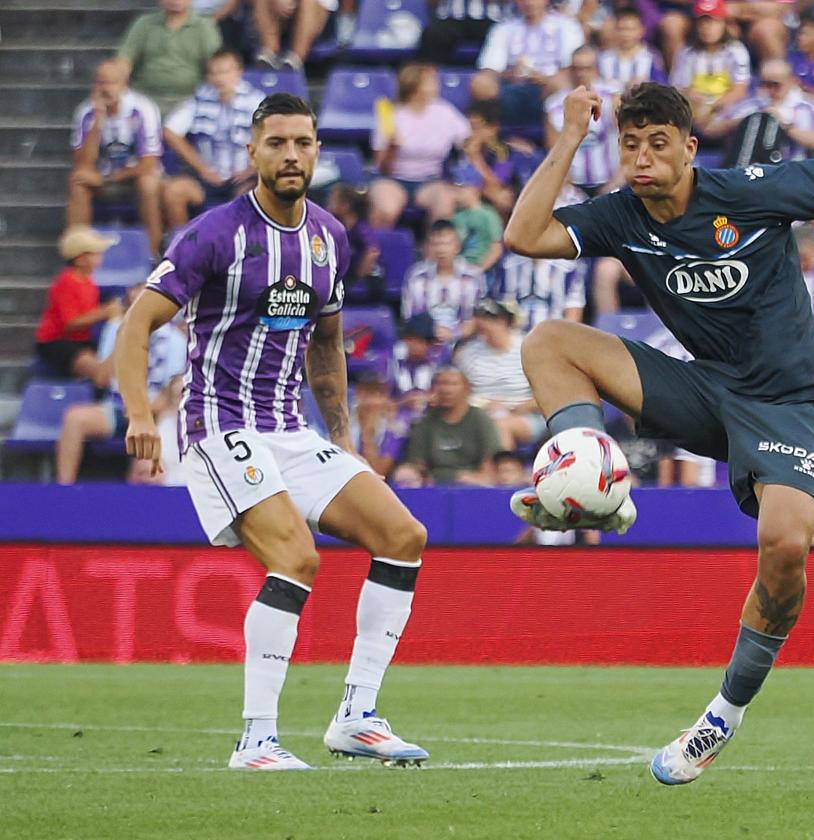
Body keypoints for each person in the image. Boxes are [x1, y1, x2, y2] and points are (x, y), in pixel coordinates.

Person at [501, 81, 814, 784]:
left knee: (786, 546)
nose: (642, 157)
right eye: (630, 144)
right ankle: (589, 475)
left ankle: (723, 715)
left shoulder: (746, 193)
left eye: (657, 143)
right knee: (549, 341)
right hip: (707, 389)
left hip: (790, 400)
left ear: (689, 148)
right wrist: (568, 137)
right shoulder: (622, 215)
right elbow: (524, 235)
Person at [115, 93, 431, 771]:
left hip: (291, 428)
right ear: (253, 151)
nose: (292, 155)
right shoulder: (214, 234)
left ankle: (357, 716)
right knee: (297, 558)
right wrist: (141, 413)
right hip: (220, 424)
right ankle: (256, 739)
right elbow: (136, 323)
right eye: (278, 143)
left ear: (318, 150)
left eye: (304, 143)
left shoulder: (330, 238)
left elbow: (326, 345)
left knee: (403, 537)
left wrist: (342, 438)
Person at [56, 283, 187, 485]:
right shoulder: (115, 329)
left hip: (154, 411)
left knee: (161, 418)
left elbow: (171, 391)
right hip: (118, 407)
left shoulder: (175, 339)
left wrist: (140, 412)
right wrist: (125, 338)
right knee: (75, 419)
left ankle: (152, 484)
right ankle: (63, 489)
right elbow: (101, 378)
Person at [68, 59, 164, 256]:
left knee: (148, 182)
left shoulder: (142, 109)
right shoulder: (86, 112)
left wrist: (107, 178)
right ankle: (78, 256)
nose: (105, 89)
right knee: (78, 183)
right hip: (102, 180)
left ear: (124, 85)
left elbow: (149, 162)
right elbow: (82, 163)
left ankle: (154, 255)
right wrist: (98, 122)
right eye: (100, 83)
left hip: (134, 177)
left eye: (110, 83)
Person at [162, 50, 265, 231]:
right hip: (207, 178)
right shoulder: (199, 99)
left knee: (252, 197)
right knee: (173, 191)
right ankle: (183, 250)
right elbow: (170, 132)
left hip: (243, 179)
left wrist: (252, 169)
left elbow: (274, 141)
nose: (219, 78)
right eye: (213, 73)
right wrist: (202, 168)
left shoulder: (257, 102)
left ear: (239, 71)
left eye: (225, 72)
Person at [369, 64, 470, 228]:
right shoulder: (391, 113)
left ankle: (433, 251)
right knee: (386, 209)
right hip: (393, 179)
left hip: (431, 180)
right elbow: (381, 166)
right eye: (431, 81)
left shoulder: (444, 112)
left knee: (444, 204)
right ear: (415, 85)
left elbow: (468, 140)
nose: (437, 84)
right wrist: (392, 148)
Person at [472, 0, 586, 124]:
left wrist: (544, 79)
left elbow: (572, 67)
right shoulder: (504, 28)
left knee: (563, 83)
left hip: (547, 89)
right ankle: (494, 135)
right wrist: (510, 75)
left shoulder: (566, 26)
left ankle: (556, 132)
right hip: (512, 87)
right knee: (480, 83)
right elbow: (489, 69)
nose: (529, 3)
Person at [454, 298, 546, 449]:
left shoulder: (529, 348)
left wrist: (519, 407)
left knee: (500, 426)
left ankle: (504, 469)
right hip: (481, 414)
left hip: (525, 415)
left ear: (504, 321)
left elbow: (548, 393)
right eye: (480, 319)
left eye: (490, 319)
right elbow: (461, 392)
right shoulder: (468, 353)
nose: (484, 324)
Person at [35, 227, 124, 380]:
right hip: (58, 343)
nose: (100, 258)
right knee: (101, 372)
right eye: (95, 254)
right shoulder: (67, 282)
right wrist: (104, 312)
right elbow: (70, 323)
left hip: (81, 341)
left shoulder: (89, 282)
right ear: (80, 259)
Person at [703, 58, 814, 162]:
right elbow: (710, 129)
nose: (769, 89)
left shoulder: (807, 105)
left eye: (775, 84)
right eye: (765, 84)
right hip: (751, 170)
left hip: (792, 170)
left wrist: (785, 127)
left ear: (791, 80)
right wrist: (746, 121)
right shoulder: (754, 102)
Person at [394, 366, 502, 486]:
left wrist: (476, 478)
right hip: (434, 480)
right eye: (440, 384)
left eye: (453, 384)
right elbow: (417, 462)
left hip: (473, 480)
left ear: (467, 388)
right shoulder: (425, 422)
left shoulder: (480, 418)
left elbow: (490, 459)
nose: (446, 390)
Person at [116, 0, 222, 116]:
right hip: (145, 98)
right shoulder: (144, 24)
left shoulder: (204, 27)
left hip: (189, 101)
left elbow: (216, 64)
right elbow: (124, 60)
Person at [545, 47, 623, 195]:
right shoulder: (554, 105)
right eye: (576, 68)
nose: (581, 74)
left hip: (610, 181)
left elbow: (626, 140)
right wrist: (568, 191)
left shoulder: (612, 97)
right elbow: (554, 153)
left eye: (587, 68)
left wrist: (615, 183)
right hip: (574, 186)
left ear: (596, 69)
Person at [668, 0, 752, 135]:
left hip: (726, 108)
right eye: (702, 22)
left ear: (724, 24)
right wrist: (692, 98)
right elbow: (679, 87)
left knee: (748, 113)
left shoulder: (736, 51)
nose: (707, 27)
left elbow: (740, 90)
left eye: (714, 22)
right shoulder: (686, 53)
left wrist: (713, 107)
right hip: (695, 109)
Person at [402, 220, 484, 341]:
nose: (441, 250)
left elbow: (478, 319)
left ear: (457, 246)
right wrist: (431, 331)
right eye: (436, 244)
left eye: (446, 244)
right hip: (424, 341)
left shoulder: (473, 276)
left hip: (464, 342)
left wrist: (454, 334)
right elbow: (410, 315)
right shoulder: (416, 275)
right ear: (428, 247)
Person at [326, 184, 382, 304]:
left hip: (366, 278)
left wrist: (358, 276)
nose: (329, 204)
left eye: (334, 200)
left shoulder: (361, 228)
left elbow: (373, 251)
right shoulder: (335, 226)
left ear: (345, 206)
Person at [251, 0, 337, 71]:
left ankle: (295, 59)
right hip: (282, 11)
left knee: (307, 2)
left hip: (318, 11)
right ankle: (269, 54)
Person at [598, 8, 667, 90]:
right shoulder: (604, 58)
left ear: (641, 30)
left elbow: (662, 87)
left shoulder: (651, 58)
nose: (625, 34)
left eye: (630, 29)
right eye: (621, 29)